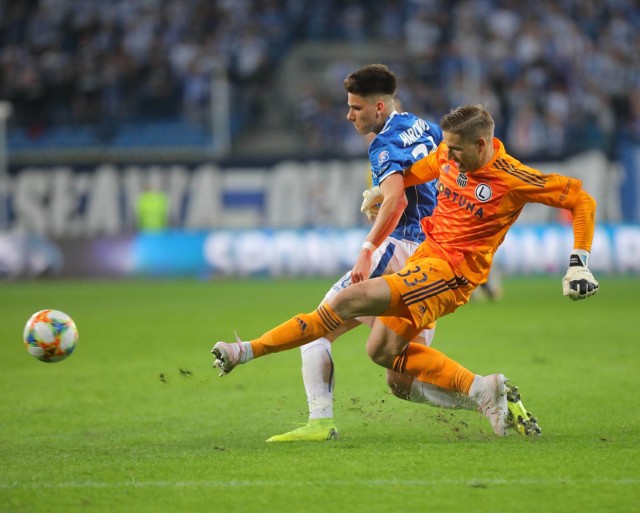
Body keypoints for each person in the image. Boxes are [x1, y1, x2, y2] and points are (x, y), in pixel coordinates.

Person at [212, 104, 598, 437]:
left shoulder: (512, 177)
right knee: (383, 355)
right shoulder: (448, 155)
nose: (450, 155)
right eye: (447, 147)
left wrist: (578, 262)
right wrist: (383, 192)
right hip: (424, 261)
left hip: (450, 276)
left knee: (346, 301)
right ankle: (484, 389)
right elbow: (417, 172)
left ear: (481, 145)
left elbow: (581, 199)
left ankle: (245, 351)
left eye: (458, 149)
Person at [266, 64, 477, 443]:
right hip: (429, 258)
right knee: (399, 377)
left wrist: (367, 248)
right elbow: (448, 181)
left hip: (396, 249)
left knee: (317, 328)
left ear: (379, 108)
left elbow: (397, 203)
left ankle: (319, 422)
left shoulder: (383, 144)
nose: (349, 115)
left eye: (356, 108)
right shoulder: (426, 127)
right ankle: (487, 397)